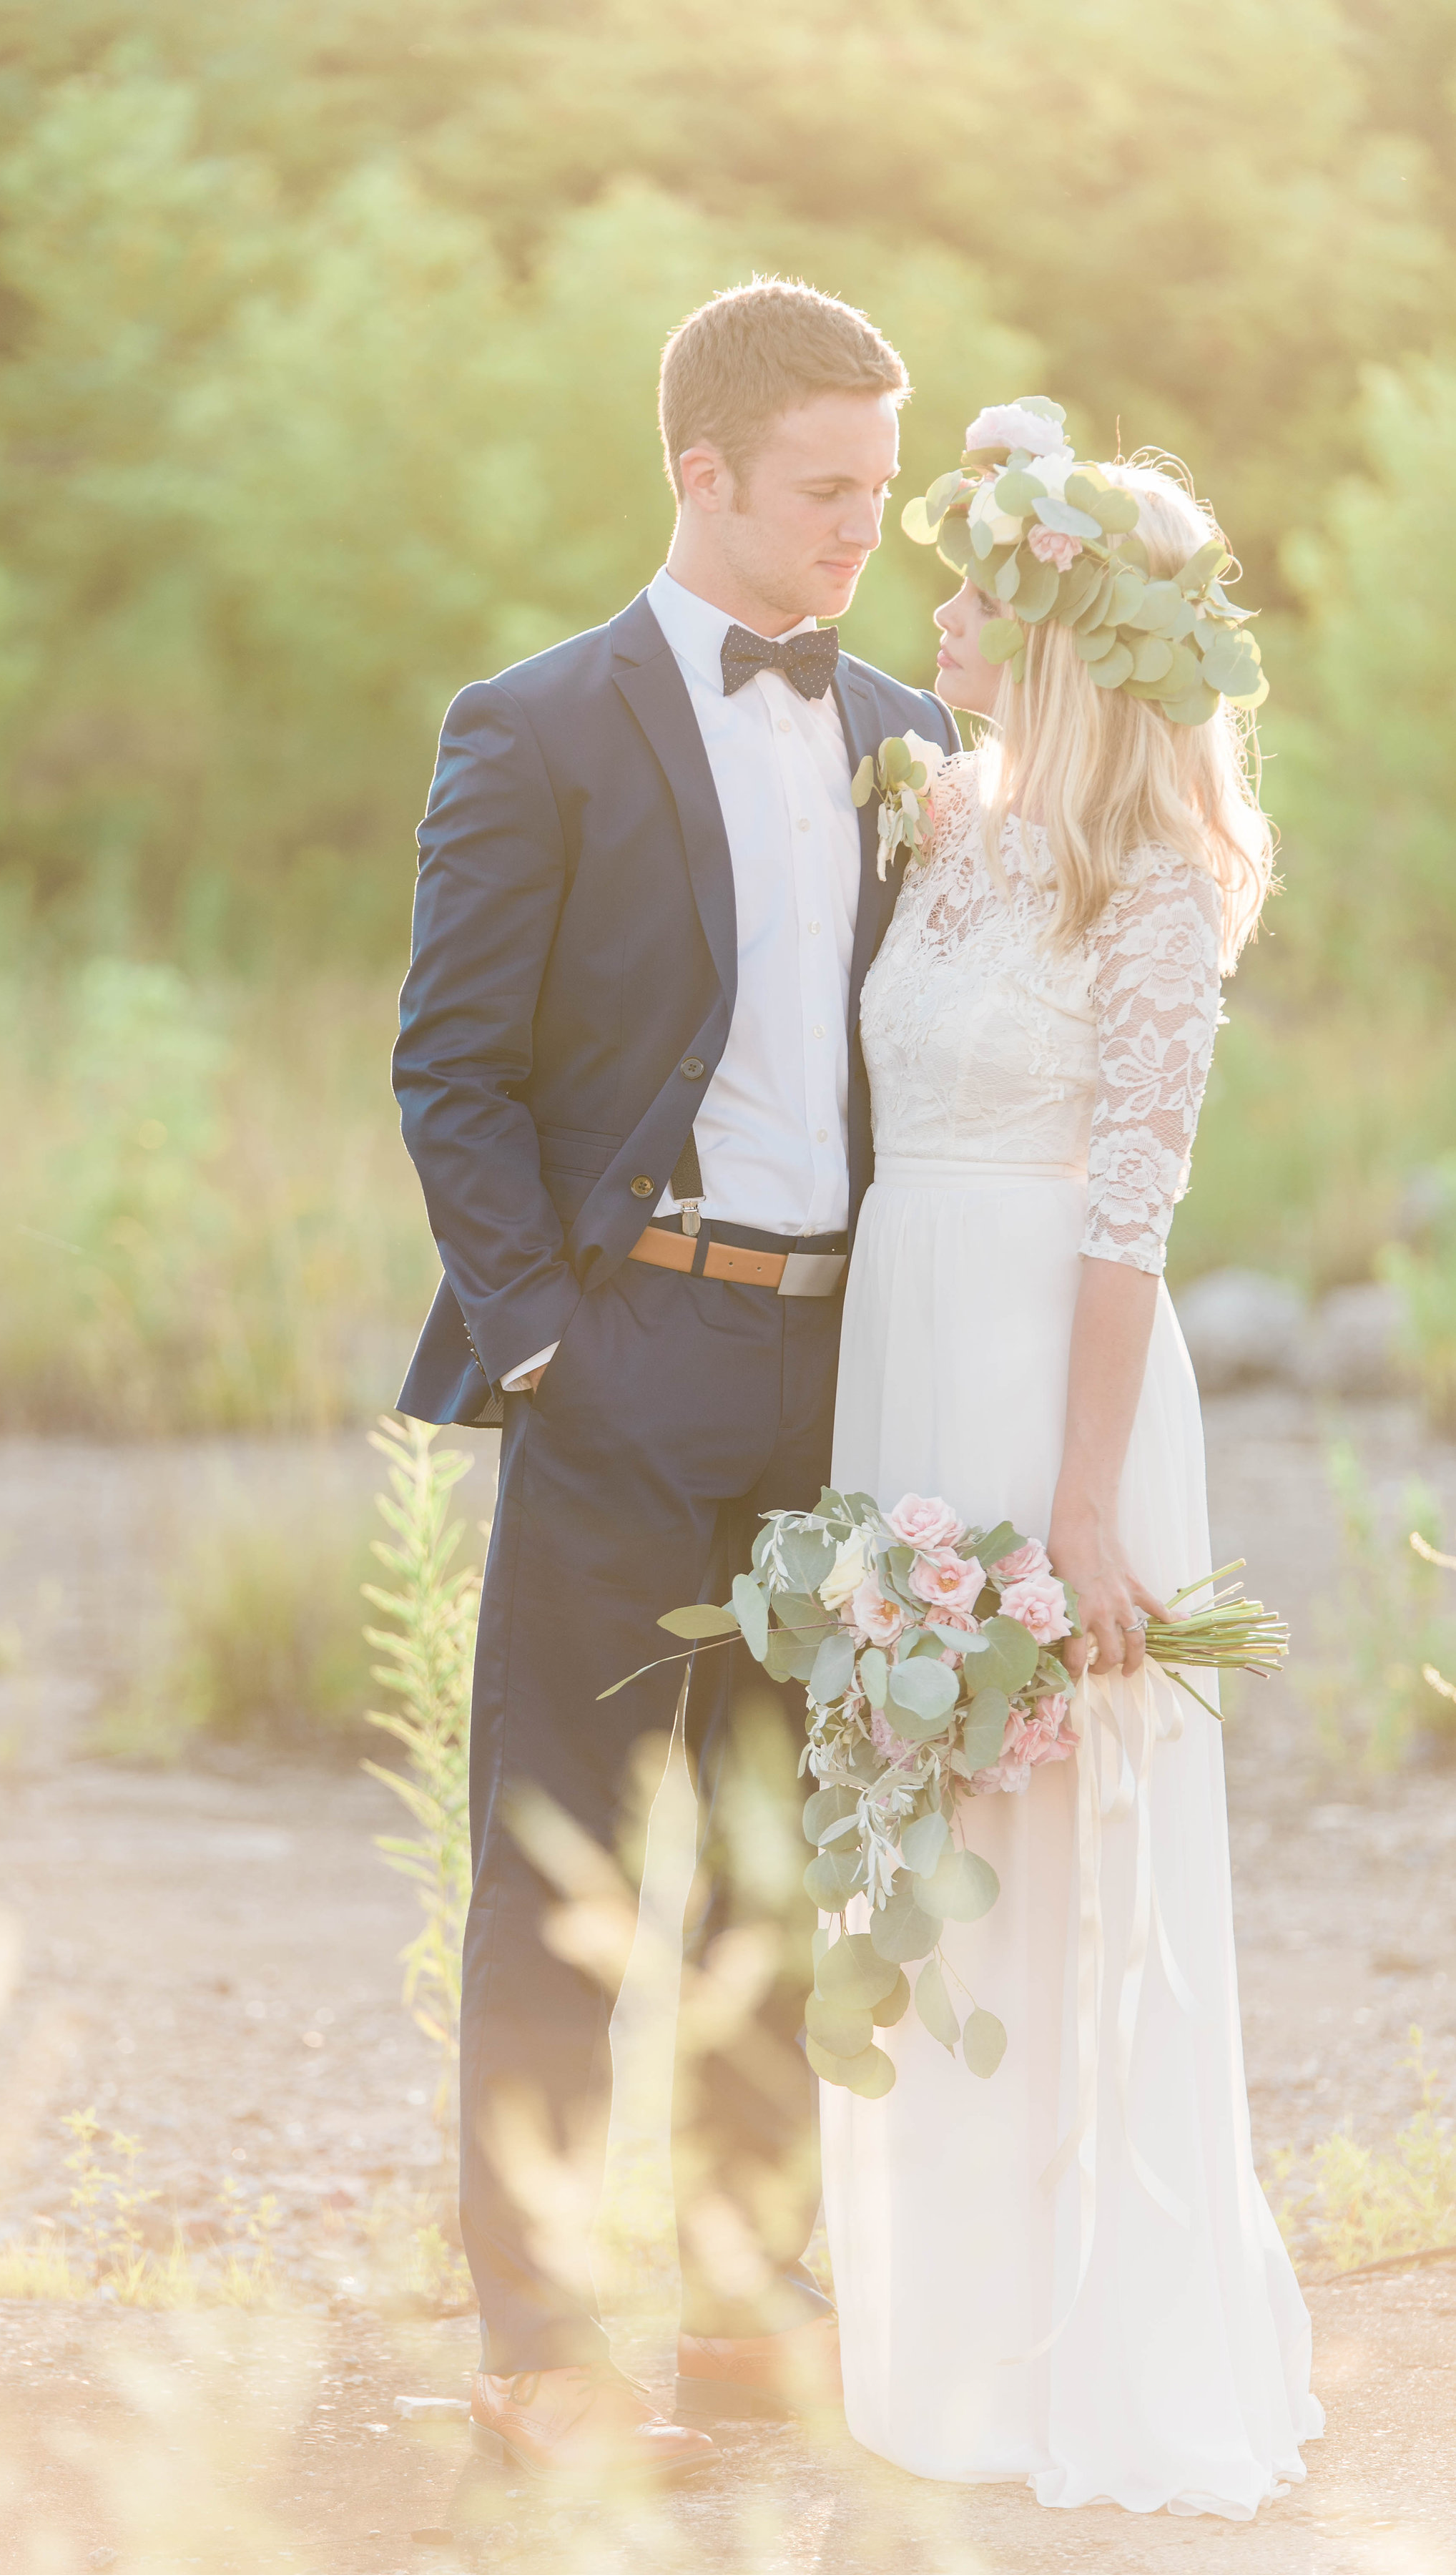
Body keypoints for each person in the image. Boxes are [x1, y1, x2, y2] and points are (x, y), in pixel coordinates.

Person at [393, 278, 957, 2480]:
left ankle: (745, 2299)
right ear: (697, 473)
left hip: (848, 1375)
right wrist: (544, 1340)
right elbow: (453, 1068)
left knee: (774, 1869)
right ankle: (537, 2331)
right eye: (825, 495)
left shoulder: (902, 723)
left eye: (881, 497)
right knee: (562, 1872)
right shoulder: (529, 727)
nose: (859, 535)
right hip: (628, 1349)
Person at [820, 411, 1324, 2515]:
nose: (930, 609)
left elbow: (1133, 1208)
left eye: (973, 582)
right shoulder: (942, 817)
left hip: (1053, 1378)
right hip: (899, 1352)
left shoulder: (1158, 880)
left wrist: (1088, 1506)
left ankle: (1081, 2342)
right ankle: (933, 2330)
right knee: (919, 1832)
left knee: (1062, 1848)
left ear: (1062, 627)